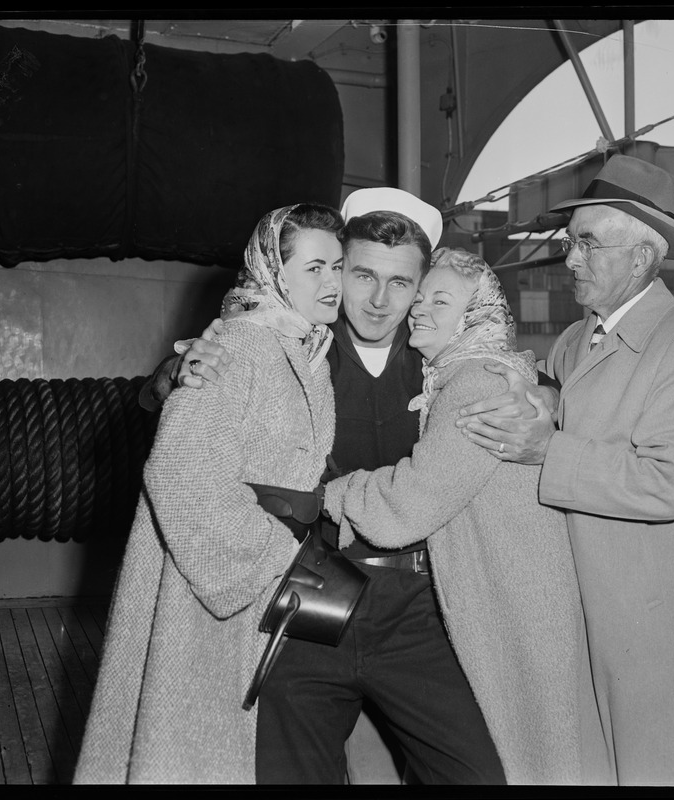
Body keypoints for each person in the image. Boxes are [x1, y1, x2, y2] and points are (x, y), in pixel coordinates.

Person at [138, 188, 508, 785]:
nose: (380, 300)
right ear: (337, 269)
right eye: (360, 274)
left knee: (475, 773)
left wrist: (544, 397)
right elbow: (211, 380)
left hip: (417, 607)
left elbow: (512, 370)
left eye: (402, 283)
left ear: (422, 289)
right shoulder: (301, 343)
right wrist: (171, 375)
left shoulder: (440, 360)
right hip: (311, 595)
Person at [456, 154, 674, 788]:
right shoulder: (572, 341)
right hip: (587, 614)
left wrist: (548, 449)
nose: (570, 258)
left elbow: (666, 484)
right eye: (572, 242)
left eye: (589, 243)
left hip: (663, 629)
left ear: (644, 257)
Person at [74, 203, 344, 784]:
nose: (333, 283)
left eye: (338, 266)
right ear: (274, 270)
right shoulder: (236, 347)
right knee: (193, 747)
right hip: (215, 576)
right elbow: (178, 470)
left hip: (257, 573)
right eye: (316, 267)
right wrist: (275, 554)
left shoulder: (303, 347)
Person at [321, 247, 607, 785]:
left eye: (441, 301)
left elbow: (408, 506)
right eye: (421, 297)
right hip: (510, 591)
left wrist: (330, 495)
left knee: (519, 757)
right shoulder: (483, 373)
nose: (418, 311)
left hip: (511, 599)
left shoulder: (474, 384)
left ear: (474, 317)